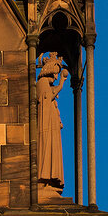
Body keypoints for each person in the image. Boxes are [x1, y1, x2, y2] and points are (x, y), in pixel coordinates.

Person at [35, 52, 67, 191]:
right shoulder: (41, 83)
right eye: (55, 73)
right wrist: (61, 82)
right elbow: (48, 97)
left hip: (51, 123)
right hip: (46, 123)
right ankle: (45, 177)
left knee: (52, 147)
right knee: (47, 147)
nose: (56, 76)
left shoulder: (46, 85)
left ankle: (52, 178)